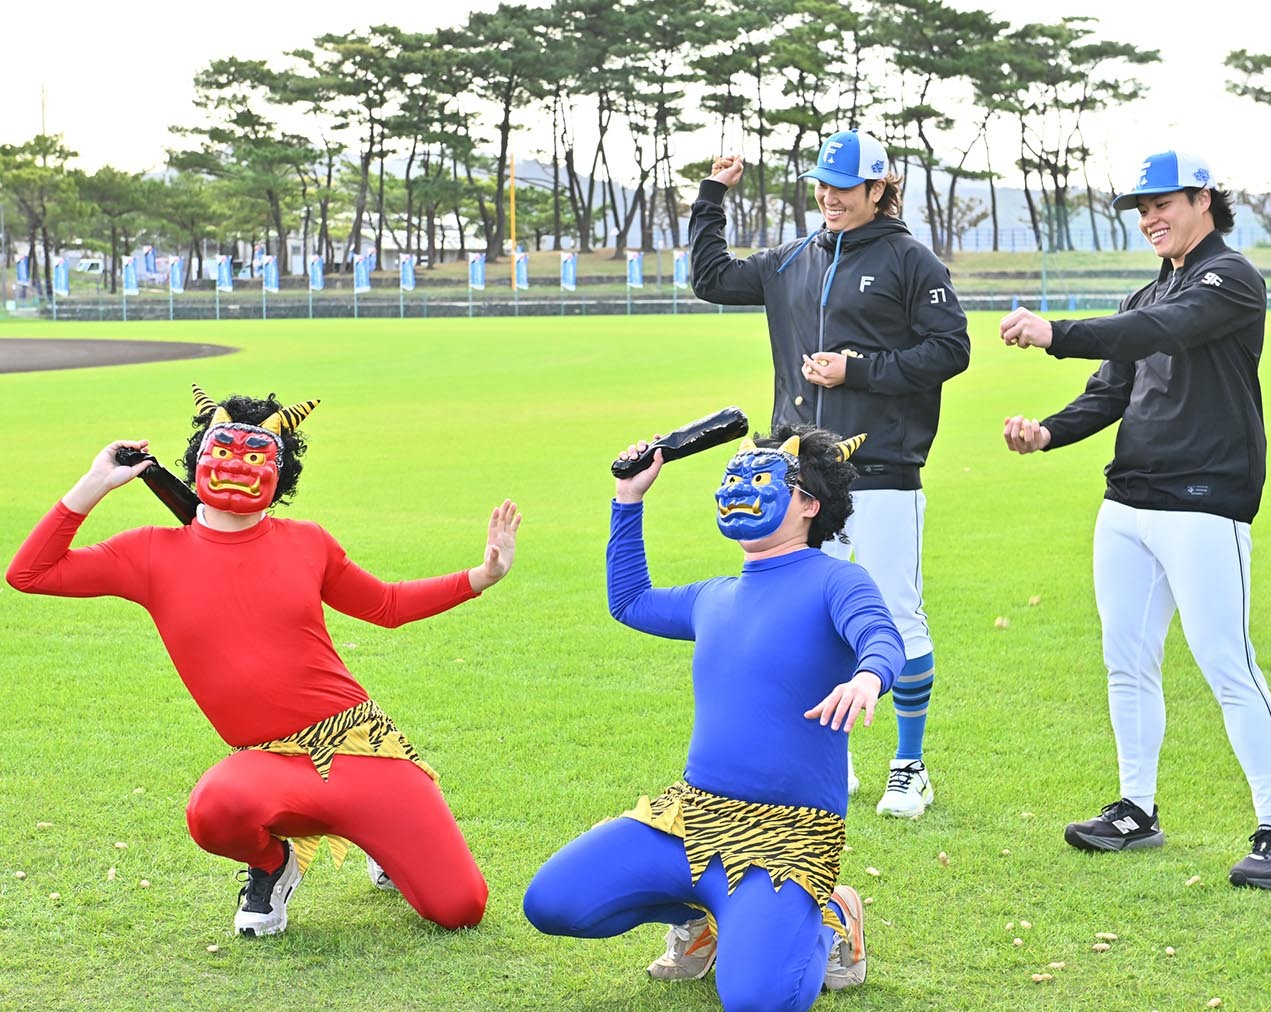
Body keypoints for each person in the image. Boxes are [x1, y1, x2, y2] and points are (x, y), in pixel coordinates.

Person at [6, 385, 522, 934]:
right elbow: (29, 573)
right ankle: (274, 865)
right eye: (223, 451)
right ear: (198, 459)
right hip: (270, 766)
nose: (236, 466)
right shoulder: (148, 553)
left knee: (460, 909)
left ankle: (384, 842)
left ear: (280, 472)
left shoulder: (307, 542)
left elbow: (387, 605)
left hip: (359, 749)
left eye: (255, 457)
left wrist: (482, 576)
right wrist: (94, 483)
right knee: (215, 808)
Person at [997, 150, 1271, 889]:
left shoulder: (1231, 278)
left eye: (1161, 204)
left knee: (1226, 664)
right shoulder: (1147, 292)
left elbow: (1160, 330)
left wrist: (1056, 333)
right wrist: (1046, 433)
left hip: (1204, 502)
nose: (1149, 219)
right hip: (1127, 504)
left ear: (1203, 199)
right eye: (1140, 210)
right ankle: (1135, 810)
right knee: (1126, 661)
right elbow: (1111, 391)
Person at [523, 425, 905, 1011]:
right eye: (732, 478)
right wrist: (629, 498)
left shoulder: (837, 580)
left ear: (809, 504)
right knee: (553, 902)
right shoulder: (714, 596)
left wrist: (867, 677)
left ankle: (832, 916)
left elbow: (881, 635)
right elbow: (629, 602)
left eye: (760, 479)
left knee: (757, 999)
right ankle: (699, 920)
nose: (738, 490)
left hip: (788, 836)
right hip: (693, 816)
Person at [688, 128, 970, 822]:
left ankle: (909, 766)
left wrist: (858, 370)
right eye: (821, 185)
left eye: (843, 187)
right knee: (809, 618)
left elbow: (951, 349)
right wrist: (712, 195)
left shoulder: (911, 259)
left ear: (877, 189)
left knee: (894, 614)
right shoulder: (791, 258)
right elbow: (711, 278)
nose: (829, 197)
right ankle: (829, 757)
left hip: (881, 470)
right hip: (799, 477)